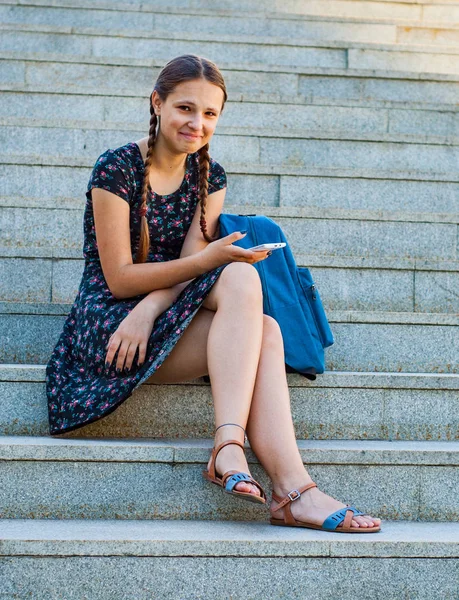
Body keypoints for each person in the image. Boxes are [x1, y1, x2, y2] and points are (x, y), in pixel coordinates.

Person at [46, 54, 381, 533]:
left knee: (262, 324)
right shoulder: (116, 169)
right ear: (156, 103)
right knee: (241, 284)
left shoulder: (210, 176)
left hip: (158, 314)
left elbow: (186, 274)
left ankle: (275, 478)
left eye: (209, 114)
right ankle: (255, 466)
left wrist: (156, 305)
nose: (196, 123)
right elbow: (118, 277)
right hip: (111, 325)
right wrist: (173, 286)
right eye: (185, 108)